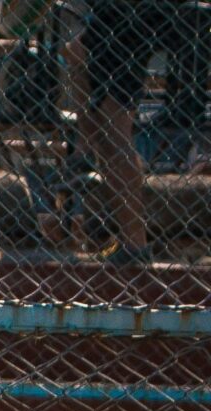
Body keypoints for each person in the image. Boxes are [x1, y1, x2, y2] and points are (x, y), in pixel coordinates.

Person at [79, 0, 190, 263]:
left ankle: (134, 244)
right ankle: (131, 240)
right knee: (78, 55)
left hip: (126, 14)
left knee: (114, 126)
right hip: (130, 16)